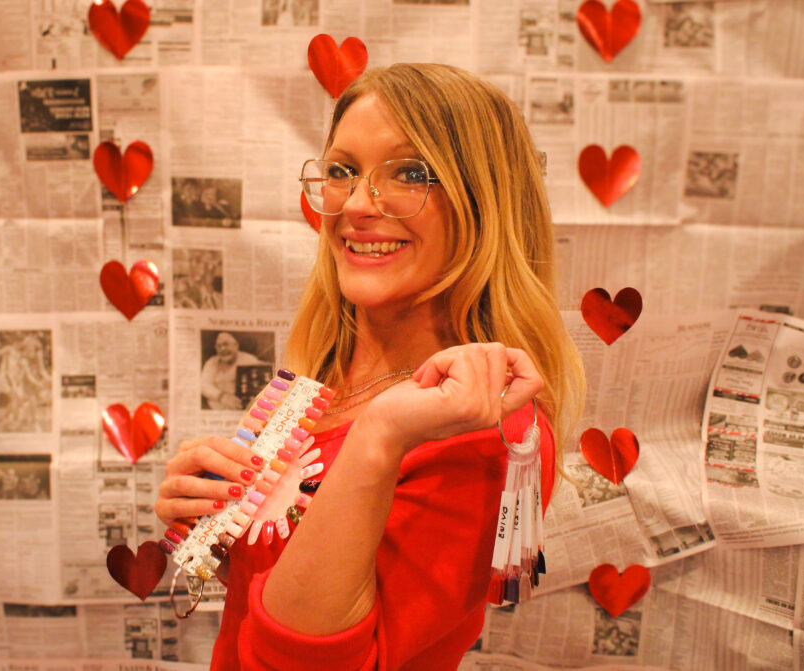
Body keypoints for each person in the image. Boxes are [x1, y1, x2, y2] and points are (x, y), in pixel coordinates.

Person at [156, 63, 585, 670]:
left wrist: (379, 435)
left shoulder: (486, 426)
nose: (357, 204)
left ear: (485, 202)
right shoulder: (326, 370)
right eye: (342, 171)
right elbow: (285, 593)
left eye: (410, 173)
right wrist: (216, 527)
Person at [201, 332, 265, 410]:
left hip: (243, 409)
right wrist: (222, 397)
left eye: (226, 344)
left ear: (236, 345)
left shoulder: (250, 360)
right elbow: (203, 384)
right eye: (219, 346)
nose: (222, 349)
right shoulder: (211, 362)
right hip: (216, 408)